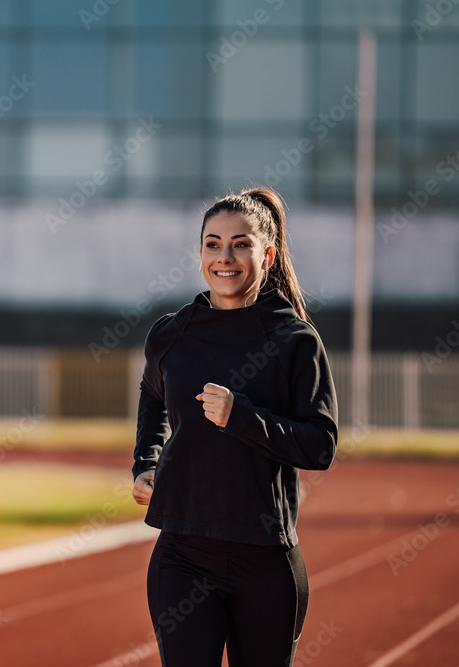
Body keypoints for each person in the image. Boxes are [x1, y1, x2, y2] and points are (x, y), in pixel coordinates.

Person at [132, 186, 338, 667]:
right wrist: (146, 460)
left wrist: (242, 417)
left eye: (241, 244)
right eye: (212, 243)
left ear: (267, 254)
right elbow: (152, 393)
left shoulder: (293, 340)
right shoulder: (171, 332)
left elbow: (321, 446)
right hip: (182, 554)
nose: (225, 257)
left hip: (264, 559)